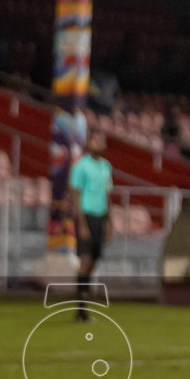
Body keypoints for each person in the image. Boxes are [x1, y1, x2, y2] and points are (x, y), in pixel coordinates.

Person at [69, 129, 113, 321]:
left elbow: (107, 194)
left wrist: (109, 221)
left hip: (99, 217)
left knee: (94, 261)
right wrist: (81, 224)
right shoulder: (81, 166)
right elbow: (75, 195)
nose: (99, 144)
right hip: (85, 216)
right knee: (85, 260)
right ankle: (81, 310)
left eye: (102, 141)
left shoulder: (106, 166)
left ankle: (84, 304)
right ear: (89, 143)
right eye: (96, 140)